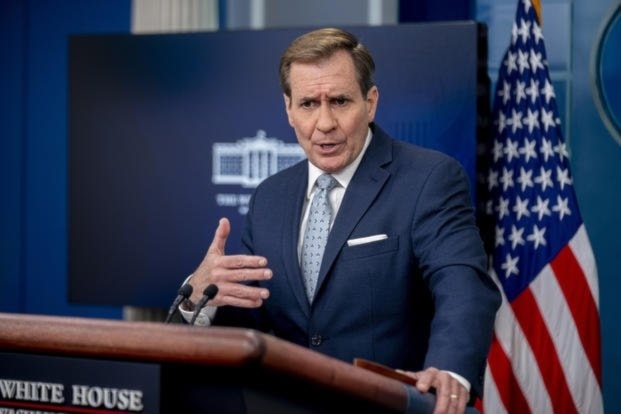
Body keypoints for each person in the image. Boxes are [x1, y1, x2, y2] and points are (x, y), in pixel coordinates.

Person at [180, 27, 501, 414]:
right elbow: (249, 314)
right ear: (288, 110)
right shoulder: (270, 197)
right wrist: (199, 295)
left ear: (371, 102)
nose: (325, 122)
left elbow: (462, 283)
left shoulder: (428, 178)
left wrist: (449, 369)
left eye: (340, 101)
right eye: (309, 104)